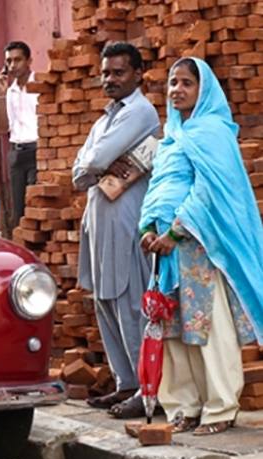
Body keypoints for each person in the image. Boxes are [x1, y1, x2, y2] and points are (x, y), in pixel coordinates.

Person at [139, 57, 263, 435]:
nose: (176, 90)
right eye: (172, 83)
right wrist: (146, 225)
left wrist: (175, 232)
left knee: (207, 326)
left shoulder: (212, 131)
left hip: (198, 243)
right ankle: (185, 405)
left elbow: (209, 191)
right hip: (164, 248)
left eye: (186, 83)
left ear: (203, 89)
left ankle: (221, 407)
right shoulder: (173, 136)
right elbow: (158, 186)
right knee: (173, 328)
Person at [72, 42, 160, 417]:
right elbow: (79, 173)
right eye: (105, 73)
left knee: (128, 301)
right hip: (98, 219)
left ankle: (146, 389)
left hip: (126, 219)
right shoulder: (104, 119)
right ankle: (125, 382)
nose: (109, 79)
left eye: (118, 72)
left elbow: (95, 159)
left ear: (138, 74)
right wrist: (93, 167)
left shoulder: (141, 112)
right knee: (105, 302)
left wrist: (94, 166)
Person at [0, 41, 39, 227]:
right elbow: (2, 128)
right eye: (9, 61)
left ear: (29, 61)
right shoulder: (10, 91)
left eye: (18, 60)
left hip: (37, 150)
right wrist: (2, 94)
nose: (13, 65)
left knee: (35, 206)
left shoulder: (39, 84)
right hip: (16, 153)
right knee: (18, 213)